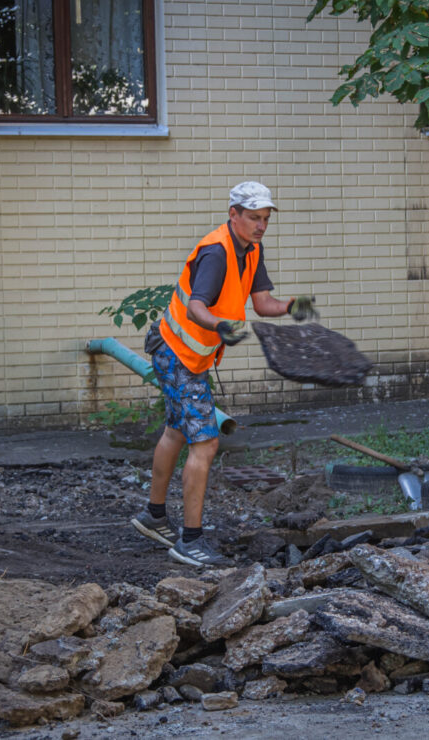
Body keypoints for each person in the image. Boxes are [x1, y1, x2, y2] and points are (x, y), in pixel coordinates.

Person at [130, 181, 317, 566]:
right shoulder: (217, 252)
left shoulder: (251, 250)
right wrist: (219, 327)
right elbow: (198, 306)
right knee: (207, 443)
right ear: (233, 215)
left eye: (265, 219)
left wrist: (290, 307)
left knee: (176, 431)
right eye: (253, 218)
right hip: (177, 354)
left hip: (179, 352)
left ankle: (154, 515)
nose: (261, 225)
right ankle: (191, 540)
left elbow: (262, 303)